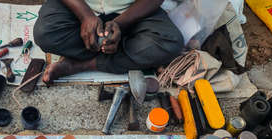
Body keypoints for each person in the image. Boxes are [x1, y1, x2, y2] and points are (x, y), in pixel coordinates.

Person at [34, 0, 184, 84]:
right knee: (45, 34)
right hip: (79, 6)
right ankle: (123, 49)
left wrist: (121, 23)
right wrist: (85, 16)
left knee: (169, 42)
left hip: (132, 11)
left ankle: (83, 64)